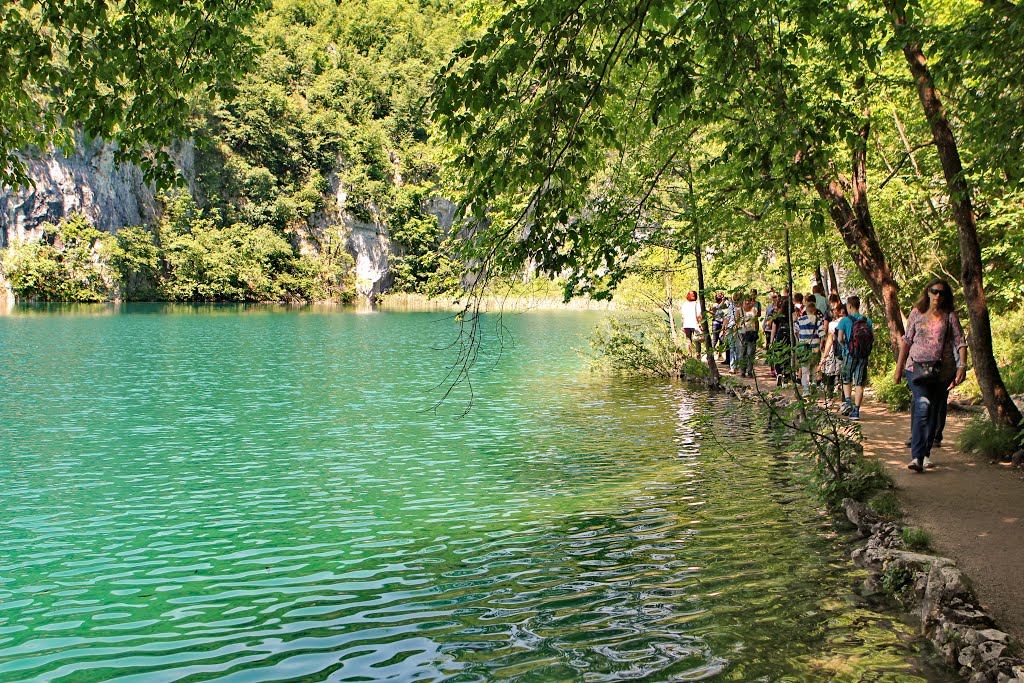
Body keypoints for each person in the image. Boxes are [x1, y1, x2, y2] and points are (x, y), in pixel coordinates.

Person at [894, 279, 967, 472]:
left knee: (932, 409)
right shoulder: (916, 313)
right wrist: (898, 368)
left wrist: (962, 366)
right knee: (922, 405)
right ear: (928, 292)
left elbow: (960, 341)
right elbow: (907, 341)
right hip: (915, 369)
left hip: (941, 371)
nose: (937, 296)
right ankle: (917, 457)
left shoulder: (949, 316)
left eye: (942, 293)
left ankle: (924, 454)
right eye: (934, 291)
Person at [836, 295, 873, 420]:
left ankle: (848, 403)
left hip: (849, 354)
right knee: (859, 383)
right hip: (863, 354)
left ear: (850, 306)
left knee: (846, 378)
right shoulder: (867, 321)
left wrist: (845, 347)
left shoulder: (844, 321)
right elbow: (871, 338)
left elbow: (840, 338)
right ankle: (856, 411)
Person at [793, 297, 824, 395]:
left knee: (805, 369)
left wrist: (800, 340)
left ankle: (806, 389)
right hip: (815, 348)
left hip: (804, 348)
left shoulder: (801, 320)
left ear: (806, 310)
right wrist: (821, 345)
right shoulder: (818, 321)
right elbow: (822, 335)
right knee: (814, 368)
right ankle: (814, 384)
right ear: (814, 310)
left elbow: (795, 331)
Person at [820, 303, 847, 401]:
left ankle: (830, 396)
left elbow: (830, 340)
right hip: (848, 352)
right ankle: (845, 399)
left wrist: (824, 356)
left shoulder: (832, 324)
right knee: (845, 376)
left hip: (835, 352)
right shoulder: (851, 322)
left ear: (837, 312)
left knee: (830, 373)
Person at [739, 297, 759, 377]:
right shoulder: (740, 310)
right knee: (742, 352)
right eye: (746, 300)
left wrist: (756, 332)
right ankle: (742, 371)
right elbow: (737, 322)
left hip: (751, 333)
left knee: (751, 352)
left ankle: (750, 371)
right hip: (742, 333)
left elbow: (756, 321)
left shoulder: (754, 310)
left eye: (749, 300)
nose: (747, 302)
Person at [680, 290, 703, 356]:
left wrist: (683, 326)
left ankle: (689, 355)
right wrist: (700, 324)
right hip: (695, 325)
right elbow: (699, 315)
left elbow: (682, 316)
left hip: (686, 324)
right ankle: (698, 355)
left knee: (688, 340)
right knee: (697, 341)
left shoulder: (684, 304)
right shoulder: (697, 304)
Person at [711, 292, 728, 362]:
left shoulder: (725, 305)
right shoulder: (715, 304)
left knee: (722, 340)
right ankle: (711, 354)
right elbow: (715, 309)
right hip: (716, 323)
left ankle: (720, 355)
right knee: (715, 339)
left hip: (722, 324)